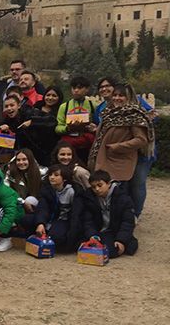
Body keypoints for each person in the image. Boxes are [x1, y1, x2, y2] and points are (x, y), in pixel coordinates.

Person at [88, 84, 154, 219]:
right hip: (104, 158)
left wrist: (118, 147)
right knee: (105, 192)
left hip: (119, 161)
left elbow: (141, 140)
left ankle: (129, 219)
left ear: (128, 97)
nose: (117, 98)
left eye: (121, 95)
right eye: (115, 95)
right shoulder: (109, 113)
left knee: (119, 194)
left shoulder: (133, 115)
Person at [79, 170, 138, 258]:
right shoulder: (89, 197)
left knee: (111, 250)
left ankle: (126, 242)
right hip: (98, 231)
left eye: (100, 185)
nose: (97, 189)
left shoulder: (123, 198)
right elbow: (88, 220)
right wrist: (92, 235)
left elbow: (128, 222)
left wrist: (121, 240)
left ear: (109, 184)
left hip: (115, 231)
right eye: (93, 187)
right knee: (79, 246)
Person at [34, 165, 83, 252]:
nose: (52, 177)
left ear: (64, 178)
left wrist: (71, 237)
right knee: (26, 220)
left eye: (56, 175)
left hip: (65, 220)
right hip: (49, 218)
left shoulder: (73, 192)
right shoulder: (46, 189)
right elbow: (42, 208)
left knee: (56, 236)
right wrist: (40, 223)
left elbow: (76, 214)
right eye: (50, 175)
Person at [55, 76, 97, 162]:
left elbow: (98, 124)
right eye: (74, 88)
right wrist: (67, 128)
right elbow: (58, 127)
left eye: (79, 88)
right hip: (69, 145)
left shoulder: (93, 105)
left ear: (87, 89)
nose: (76, 90)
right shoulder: (64, 107)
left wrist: (93, 128)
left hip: (87, 144)